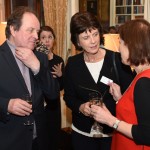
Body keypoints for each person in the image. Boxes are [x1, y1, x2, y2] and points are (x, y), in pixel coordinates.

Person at [63, 12, 135, 150]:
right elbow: (69, 97)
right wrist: (80, 107)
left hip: (113, 135)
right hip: (82, 135)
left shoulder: (118, 60)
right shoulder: (72, 64)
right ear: (77, 41)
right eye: (86, 37)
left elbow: (132, 99)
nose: (93, 41)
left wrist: (119, 98)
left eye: (95, 34)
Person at [0, 6, 59, 150]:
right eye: (30, 30)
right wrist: (6, 105)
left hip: (39, 141)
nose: (37, 37)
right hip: (9, 141)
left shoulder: (40, 58)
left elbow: (53, 94)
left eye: (37, 32)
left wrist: (37, 67)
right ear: (13, 30)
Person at [90, 19, 150, 150]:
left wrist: (110, 120)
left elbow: (147, 134)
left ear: (132, 46)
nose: (118, 48)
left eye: (120, 43)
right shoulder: (141, 75)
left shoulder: (144, 82)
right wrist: (120, 98)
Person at [37, 25, 64, 150]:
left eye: (50, 37)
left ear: (54, 41)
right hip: (38, 106)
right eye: (43, 37)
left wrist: (60, 75)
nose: (47, 40)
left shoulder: (59, 60)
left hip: (53, 106)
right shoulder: (35, 59)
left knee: (54, 139)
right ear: (38, 41)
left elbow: (62, 87)